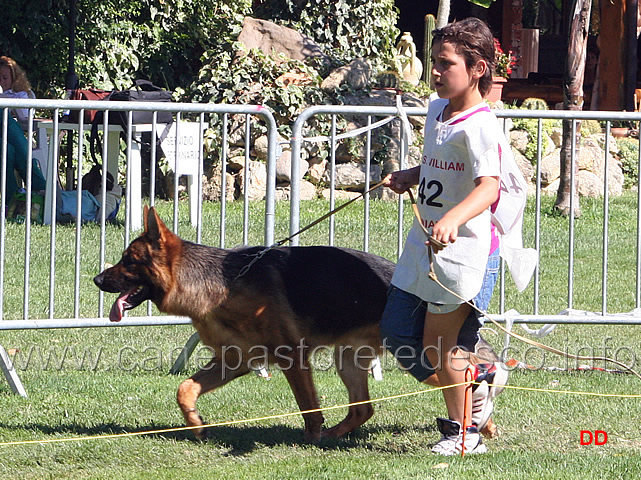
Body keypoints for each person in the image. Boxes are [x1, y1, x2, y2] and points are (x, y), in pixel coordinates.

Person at [380, 17, 518, 455]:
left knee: (442, 348)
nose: (435, 71)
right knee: (397, 333)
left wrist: (454, 219)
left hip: (468, 251)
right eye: (433, 61)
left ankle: (464, 436)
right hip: (424, 244)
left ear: (477, 69)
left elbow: (489, 186)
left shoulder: (482, 125)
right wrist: (411, 174)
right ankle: (479, 384)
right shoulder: (438, 110)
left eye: (445, 63)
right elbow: (441, 164)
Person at [0, 56, 46, 206]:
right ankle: (43, 191)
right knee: (4, 114)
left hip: (9, 137)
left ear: (14, 78)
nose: (2, 82)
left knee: (8, 150)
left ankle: (11, 202)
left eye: (5, 77)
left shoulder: (21, 94)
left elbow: (26, 119)